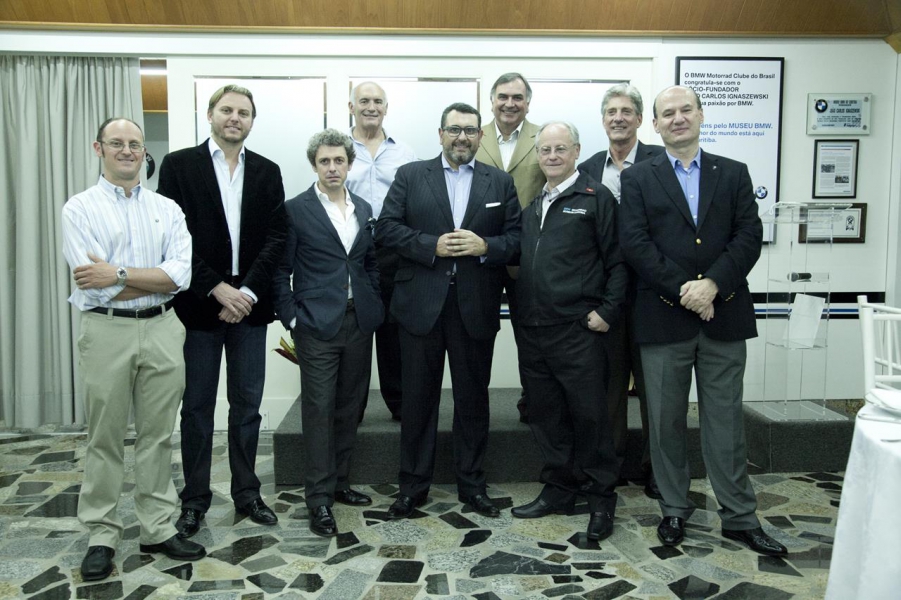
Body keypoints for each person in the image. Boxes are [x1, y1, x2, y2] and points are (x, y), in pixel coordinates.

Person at [619, 85, 787, 556]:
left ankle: (739, 517)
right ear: (655, 124)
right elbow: (635, 243)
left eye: (685, 110)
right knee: (665, 423)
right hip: (662, 319)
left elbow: (748, 235)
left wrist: (712, 285)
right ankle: (674, 508)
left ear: (701, 114)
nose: (678, 118)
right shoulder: (638, 178)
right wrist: (686, 292)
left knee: (726, 422)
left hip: (724, 315)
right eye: (667, 113)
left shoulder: (732, 172)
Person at [62, 118, 205, 582]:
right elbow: (93, 284)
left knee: (157, 435)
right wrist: (149, 278)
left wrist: (119, 273)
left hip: (163, 328)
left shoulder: (168, 209)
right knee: (104, 437)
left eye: (135, 144)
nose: (127, 151)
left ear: (145, 153)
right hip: (106, 331)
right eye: (117, 143)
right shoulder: (79, 208)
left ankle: (157, 526)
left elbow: (180, 276)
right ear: (98, 148)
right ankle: (102, 534)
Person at [375, 102, 521, 520]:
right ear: (440, 134)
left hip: (475, 306)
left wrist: (486, 246)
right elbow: (386, 229)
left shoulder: (500, 182)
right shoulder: (410, 175)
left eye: (470, 130)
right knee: (417, 401)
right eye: (454, 129)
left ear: (481, 136)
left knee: (472, 400)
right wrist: (430, 246)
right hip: (420, 306)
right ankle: (412, 487)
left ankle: (472, 485)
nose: (462, 137)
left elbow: (518, 239)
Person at [157, 85, 288, 538]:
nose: (235, 118)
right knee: (196, 407)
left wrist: (245, 292)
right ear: (210, 114)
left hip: (249, 307)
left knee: (247, 406)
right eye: (227, 110)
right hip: (199, 305)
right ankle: (194, 499)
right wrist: (216, 288)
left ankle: (247, 493)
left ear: (252, 120)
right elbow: (172, 238)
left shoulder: (267, 171)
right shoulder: (178, 166)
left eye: (244, 112)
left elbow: (276, 237)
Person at [510, 122, 625, 540]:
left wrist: (607, 311)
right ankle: (559, 490)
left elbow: (618, 261)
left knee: (590, 418)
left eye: (560, 148)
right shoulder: (533, 205)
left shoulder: (596, 198)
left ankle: (601, 500)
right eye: (545, 150)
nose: (552, 156)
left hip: (579, 330)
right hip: (534, 330)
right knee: (547, 416)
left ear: (576, 151)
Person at [272, 129, 384, 537]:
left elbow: (369, 262)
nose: (333, 167)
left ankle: (340, 483)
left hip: (359, 322)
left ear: (350, 164)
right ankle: (318, 499)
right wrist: (292, 318)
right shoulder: (295, 210)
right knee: (319, 411)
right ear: (314, 165)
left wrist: (374, 302)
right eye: (325, 161)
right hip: (315, 326)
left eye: (339, 160)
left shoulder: (363, 207)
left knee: (350, 407)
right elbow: (280, 270)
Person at [578, 83, 664, 498]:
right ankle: (608, 468)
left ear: (640, 119)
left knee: (654, 391)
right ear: (603, 120)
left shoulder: (661, 162)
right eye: (611, 111)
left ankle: (657, 469)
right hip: (606, 297)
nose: (618, 118)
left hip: (652, 294)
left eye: (626, 111)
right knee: (608, 390)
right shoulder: (587, 168)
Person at [474, 73, 546, 422]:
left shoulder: (543, 137)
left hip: (529, 254)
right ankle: (475, 408)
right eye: (503, 96)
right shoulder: (474, 136)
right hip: (482, 253)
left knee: (531, 337)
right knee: (476, 335)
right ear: (492, 101)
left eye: (517, 97)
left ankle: (534, 403)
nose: (510, 103)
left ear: (527, 103)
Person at [345, 81, 416, 421]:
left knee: (392, 328)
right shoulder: (338, 149)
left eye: (377, 101)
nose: (371, 107)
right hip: (351, 250)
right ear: (351, 107)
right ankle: (351, 409)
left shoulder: (405, 153)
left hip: (393, 249)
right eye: (364, 101)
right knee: (354, 330)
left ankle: (399, 405)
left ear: (386, 108)